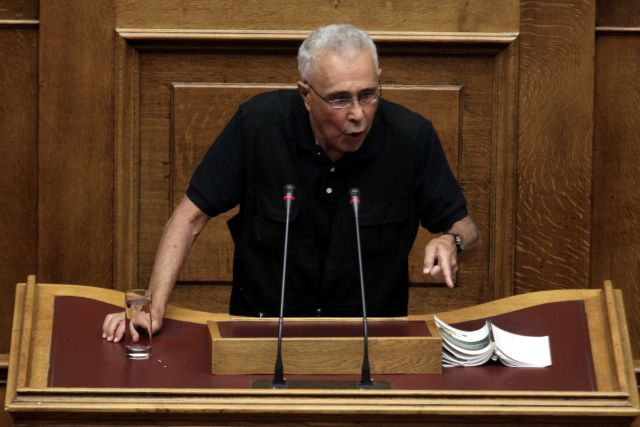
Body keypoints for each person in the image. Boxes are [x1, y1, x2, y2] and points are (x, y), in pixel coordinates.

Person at [102, 23, 479, 343]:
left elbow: (467, 231)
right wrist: (152, 306)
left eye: (368, 95)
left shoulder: (411, 138)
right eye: (339, 100)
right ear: (306, 95)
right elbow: (189, 218)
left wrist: (452, 241)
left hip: (372, 343)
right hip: (262, 338)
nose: (358, 114)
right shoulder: (258, 126)